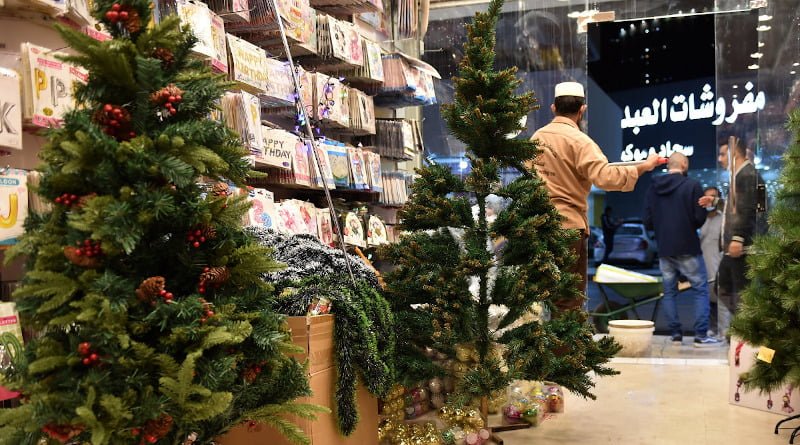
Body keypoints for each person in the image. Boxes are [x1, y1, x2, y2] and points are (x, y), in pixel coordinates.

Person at [530, 81, 660, 313]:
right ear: (582, 110)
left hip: (537, 228)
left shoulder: (536, 139)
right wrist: (644, 166)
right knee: (568, 300)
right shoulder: (580, 141)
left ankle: (542, 348)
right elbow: (606, 177)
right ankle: (566, 350)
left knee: (539, 297)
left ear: (553, 108)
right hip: (568, 227)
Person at [643, 153, 721, 347]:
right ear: (684, 164)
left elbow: (647, 220)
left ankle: (676, 335)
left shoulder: (653, 187)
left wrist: (661, 231)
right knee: (700, 289)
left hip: (664, 247)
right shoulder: (692, 185)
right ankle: (700, 336)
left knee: (669, 292)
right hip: (688, 245)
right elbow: (699, 217)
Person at [698, 137, 764, 338]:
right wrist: (717, 201)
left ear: (734, 153)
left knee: (735, 291)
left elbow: (747, 210)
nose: (719, 159)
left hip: (740, 248)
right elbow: (736, 206)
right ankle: (744, 331)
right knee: (724, 287)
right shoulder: (741, 175)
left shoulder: (746, 175)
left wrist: (738, 238)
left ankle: (748, 333)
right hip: (736, 247)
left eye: (722, 154)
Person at [699, 186, 723, 336]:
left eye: (713, 197)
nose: (710, 201)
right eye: (706, 198)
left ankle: (723, 331)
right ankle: (710, 328)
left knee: (721, 301)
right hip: (702, 268)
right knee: (706, 301)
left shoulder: (724, 219)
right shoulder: (699, 219)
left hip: (719, 267)